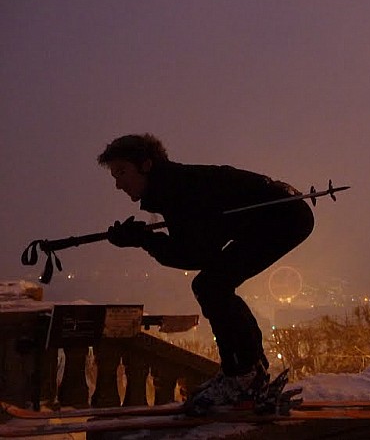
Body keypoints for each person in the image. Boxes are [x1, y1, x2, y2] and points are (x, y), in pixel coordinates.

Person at [97, 134, 314, 412]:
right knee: (212, 284)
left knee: (212, 285)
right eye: (115, 176)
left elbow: (194, 254)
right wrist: (142, 239)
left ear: (146, 165)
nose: (118, 184)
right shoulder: (171, 186)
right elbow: (192, 250)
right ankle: (246, 370)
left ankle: (243, 375)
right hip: (284, 213)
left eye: (122, 172)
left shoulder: (178, 189)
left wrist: (143, 240)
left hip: (285, 218)